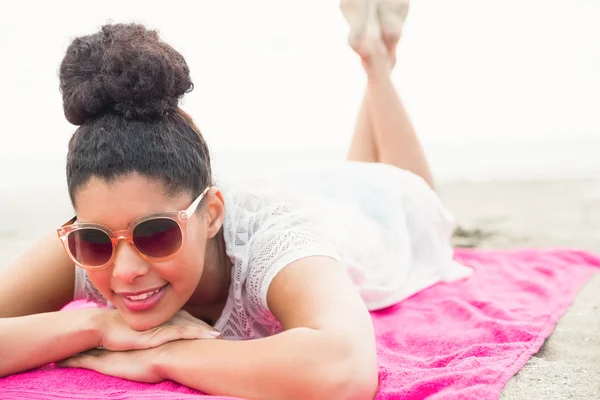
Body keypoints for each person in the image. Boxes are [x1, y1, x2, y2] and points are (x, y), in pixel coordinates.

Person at [0, 1, 471, 399]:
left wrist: (167, 355)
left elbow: (344, 368)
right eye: (96, 241)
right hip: (306, 189)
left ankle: (377, 61)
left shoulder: (275, 241)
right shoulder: (90, 242)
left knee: (408, 191)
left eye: (155, 233)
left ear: (211, 214)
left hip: (367, 225)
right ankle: (375, 51)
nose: (123, 271)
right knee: (356, 173)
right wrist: (96, 329)